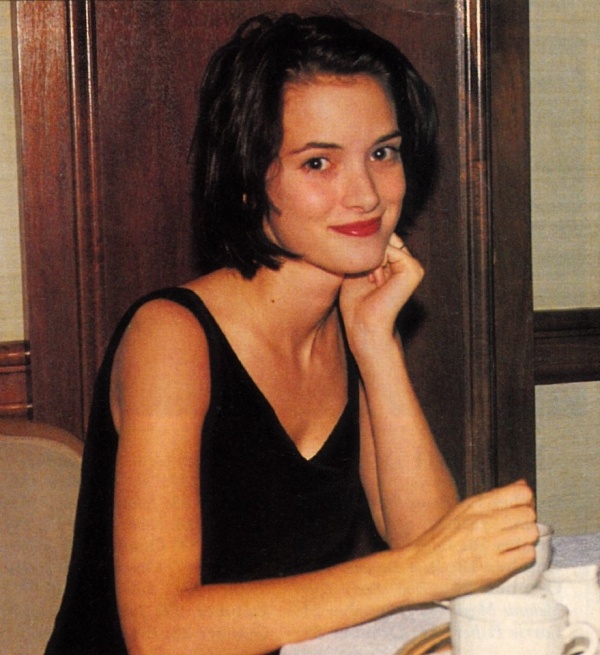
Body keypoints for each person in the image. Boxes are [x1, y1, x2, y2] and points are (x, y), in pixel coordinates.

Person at [45, 13, 538, 655]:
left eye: (382, 153)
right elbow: (161, 633)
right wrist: (419, 570)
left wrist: (375, 345)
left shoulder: (347, 321)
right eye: (317, 163)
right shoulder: (171, 337)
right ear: (250, 181)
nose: (363, 194)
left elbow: (429, 546)